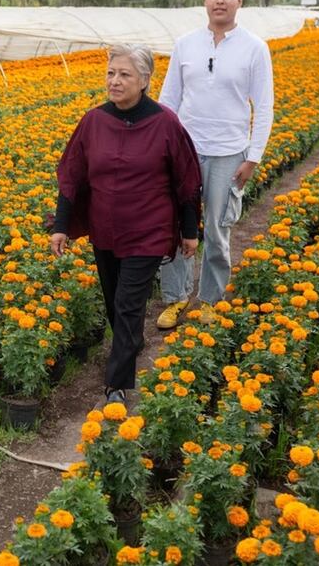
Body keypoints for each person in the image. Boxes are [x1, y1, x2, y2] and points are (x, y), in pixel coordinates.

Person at [50, 44, 202, 406]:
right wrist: (61, 225)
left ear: (145, 80)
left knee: (128, 303)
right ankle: (130, 343)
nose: (114, 81)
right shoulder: (93, 121)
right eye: (110, 73)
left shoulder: (165, 123)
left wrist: (190, 230)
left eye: (124, 74)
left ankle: (116, 386)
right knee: (114, 301)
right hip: (105, 229)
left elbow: (186, 180)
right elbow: (72, 176)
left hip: (148, 229)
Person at [155, 0, 274, 329]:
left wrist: (253, 158)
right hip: (185, 152)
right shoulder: (185, 45)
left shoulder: (254, 48)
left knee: (218, 230)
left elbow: (264, 107)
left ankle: (210, 298)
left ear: (240, 0)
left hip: (229, 153)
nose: (220, 0)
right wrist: (159, 149)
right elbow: (168, 101)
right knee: (177, 224)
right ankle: (176, 297)